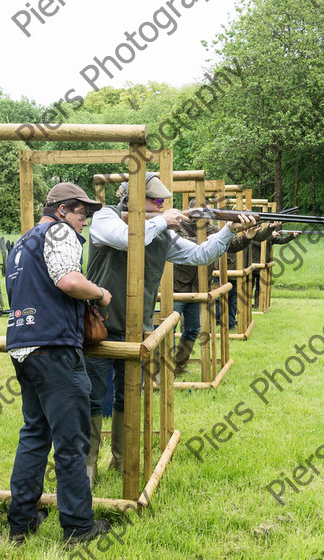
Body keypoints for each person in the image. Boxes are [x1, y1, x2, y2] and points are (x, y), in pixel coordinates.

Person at [84, 173, 255, 484]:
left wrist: (230, 228)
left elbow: (201, 255)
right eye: (154, 201)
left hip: (138, 329)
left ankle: (120, 461)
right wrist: (162, 220)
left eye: (163, 202)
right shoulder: (105, 217)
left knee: (127, 397)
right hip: (96, 327)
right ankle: (88, 469)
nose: (162, 205)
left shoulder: (161, 232)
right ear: (131, 200)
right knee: (93, 399)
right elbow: (127, 238)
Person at [5, 183, 113, 547]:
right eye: (82, 213)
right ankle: (79, 528)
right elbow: (68, 281)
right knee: (71, 442)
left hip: (22, 346)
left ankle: (21, 521)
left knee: (34, 435)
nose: (85, 221)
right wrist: (100, 293)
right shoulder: (60, 231)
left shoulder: (22, 243)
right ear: (63, 210)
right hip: (54, 349)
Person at [172, 199, 259, 377]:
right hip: (176, 288)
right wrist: (215, 238)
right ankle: (159, 371)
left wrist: (247, 236)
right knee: (168, 330)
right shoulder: (177, 226)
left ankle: (178, 366)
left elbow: (230, 244)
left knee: (193, 329)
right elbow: (189, 244)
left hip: (200, 287)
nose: (209, 219)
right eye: (206, 213)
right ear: (192, 212)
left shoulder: (210, 229)